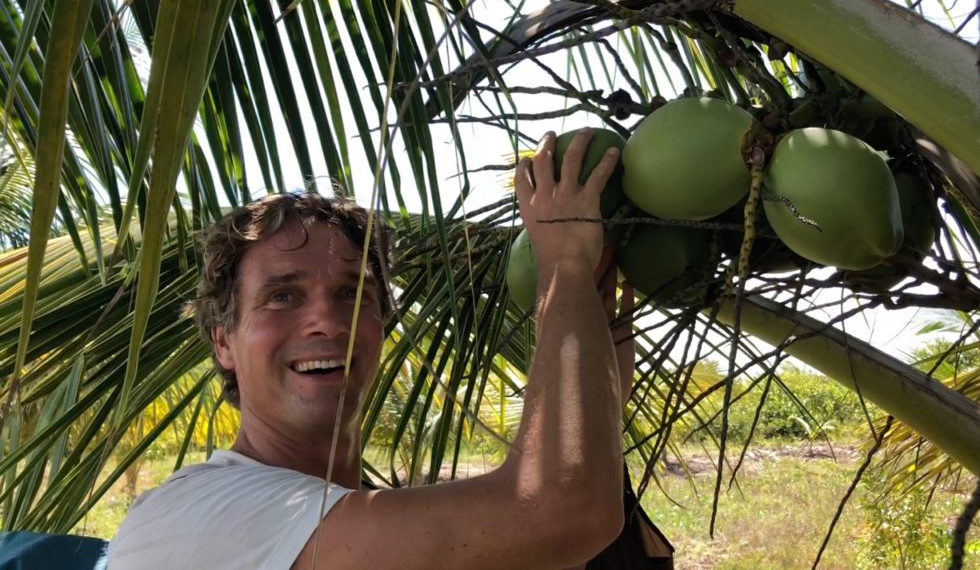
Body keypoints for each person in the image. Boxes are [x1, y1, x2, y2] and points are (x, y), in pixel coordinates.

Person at [106, 128, 635, 570]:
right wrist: (564, 264)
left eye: (352, 295)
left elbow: (546, 538)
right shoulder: (201, 515)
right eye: (282, 296)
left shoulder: (350, 521)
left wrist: (591, 307)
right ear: (223, 342)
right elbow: (561, 510)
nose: (327, 321)